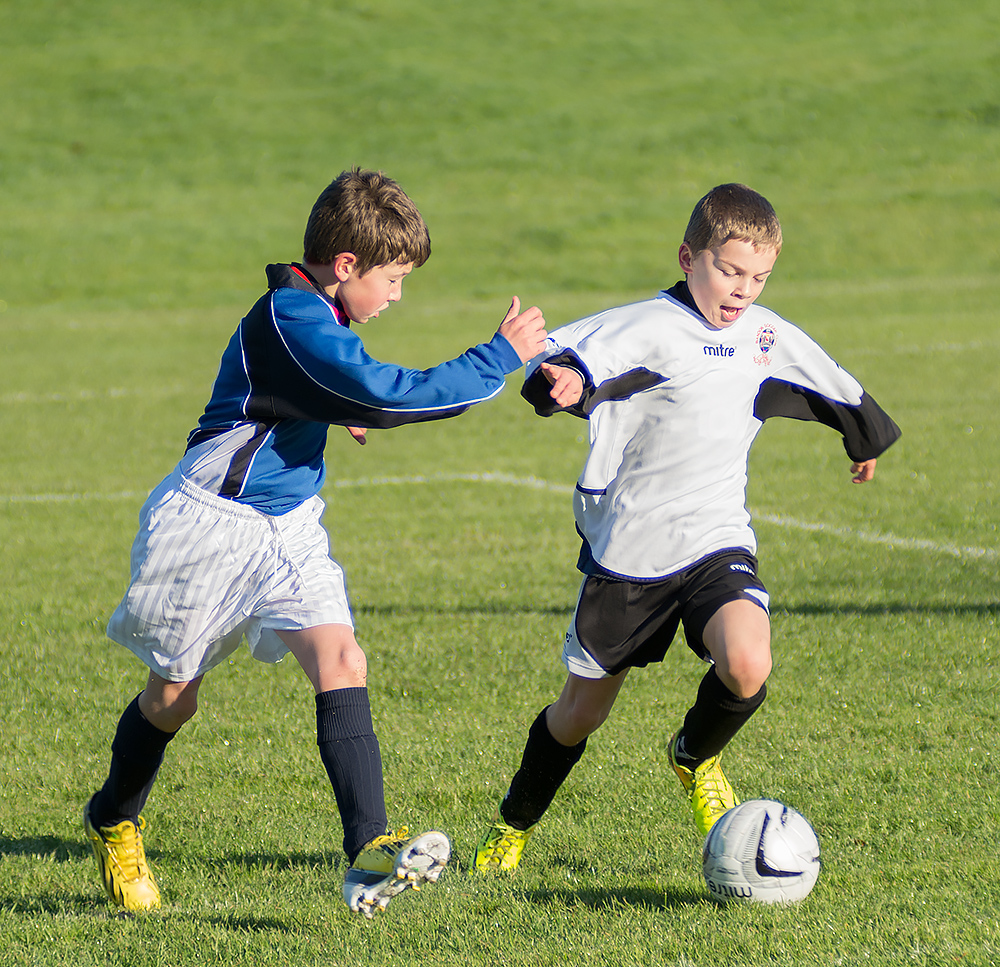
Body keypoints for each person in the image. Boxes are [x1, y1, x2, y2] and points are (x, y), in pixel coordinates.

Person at [83, 167, 547, 917]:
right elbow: (389, 395)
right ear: (346, 265)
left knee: (342, 659)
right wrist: (495, 355)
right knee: (172, 697)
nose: (397, 295)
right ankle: (114, 817)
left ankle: (369, 849)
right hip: (210, 524)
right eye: (393, 279)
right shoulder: (292, 319)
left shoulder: (316, 311)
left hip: (289, 522)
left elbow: (309, 387)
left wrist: (330, 407)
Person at [472, 183, 900, 873]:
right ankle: (512, 826)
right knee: (579, 715)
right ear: (688, 257)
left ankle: (693, 755)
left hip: (715, 538)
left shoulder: (763, 334)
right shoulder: (648, 326)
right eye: (729, 270)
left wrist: (864, 436)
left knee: (748, 663)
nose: (743, 289)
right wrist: (563, 382)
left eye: (759, 277)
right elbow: (569, 356)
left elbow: (827, 380)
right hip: (630, 553)